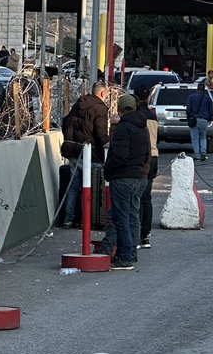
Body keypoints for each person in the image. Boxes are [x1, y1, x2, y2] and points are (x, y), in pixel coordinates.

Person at [97, 94, 149, 269]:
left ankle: (125, 257)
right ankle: (131, 253)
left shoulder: (123, 128)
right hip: (138, 176)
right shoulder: (142, 126)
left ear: (119, 109)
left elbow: (119, 156)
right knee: (133, 216)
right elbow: (146, 153)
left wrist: (108, 170)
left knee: (121, 218)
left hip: (123, 177)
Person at [59, 82, 111, 227]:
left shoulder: (79, 103)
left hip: (72, 150)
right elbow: (101, 133)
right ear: (102, 93)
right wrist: (108, 144)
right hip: (90, 153)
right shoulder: (99, 108)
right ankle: (87, 219)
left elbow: (65, 122)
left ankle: (68, 219)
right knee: (92, 187)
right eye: (106, 94)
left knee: (74, 186)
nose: (106, 97)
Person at [137, 96, 159, 248]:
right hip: (154, 156)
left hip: (142, 157)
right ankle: (145, 236)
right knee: (147, 198)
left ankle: (137, 235)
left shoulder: (138, 117)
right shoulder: (152, 116)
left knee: (137, 198)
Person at [185, 80, 213, 161]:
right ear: (204, 89)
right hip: (204, 120)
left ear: (197, 89)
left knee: (195, 138)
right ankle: (203, 152)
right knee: (203, 137)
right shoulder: (208, 98)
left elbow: (188, 110)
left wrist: (189, 117)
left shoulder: (191, 97)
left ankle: (197, 155)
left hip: (194, 119)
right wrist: (209, 119)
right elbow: (211, 110)